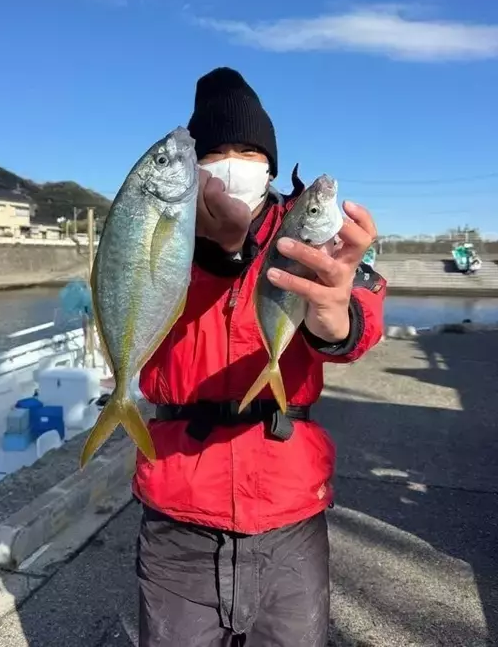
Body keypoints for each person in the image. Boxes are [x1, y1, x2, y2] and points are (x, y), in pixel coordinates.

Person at [132, 67, 386, 646]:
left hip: (289, 505)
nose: (232, 163)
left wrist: (337, 322)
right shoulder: (157, 232)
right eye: (215, 151)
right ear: (194, 167)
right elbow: (137, 314)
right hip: (177, 506)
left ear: (269, 165)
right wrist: (216, 256)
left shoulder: (308, 232)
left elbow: (362, 303)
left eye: (248, 151)